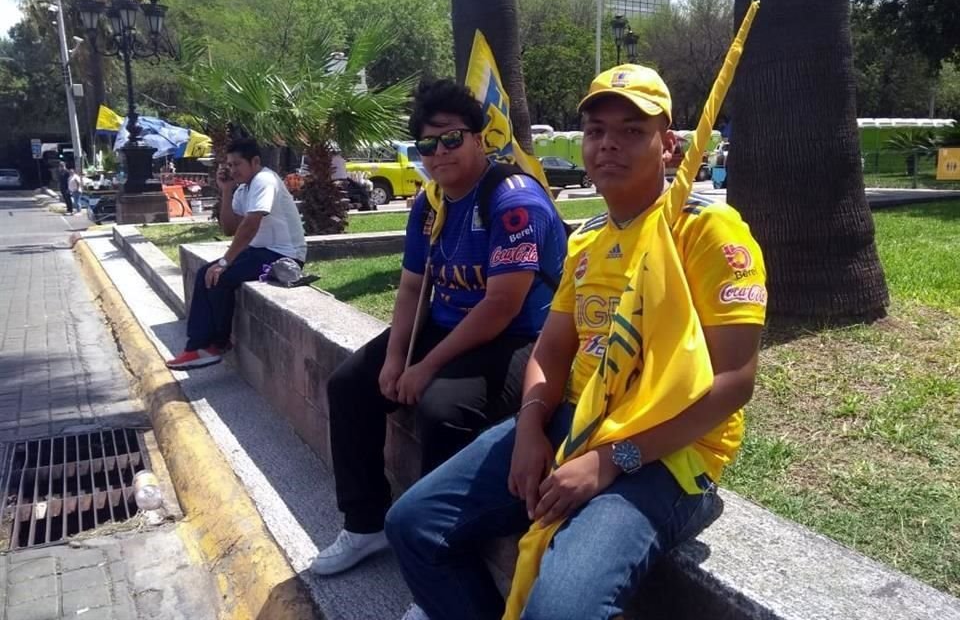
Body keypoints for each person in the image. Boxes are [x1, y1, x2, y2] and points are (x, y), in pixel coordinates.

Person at [384, 64, 767, 620]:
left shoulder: (706, 229)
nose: (608, 144)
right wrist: (531, 427)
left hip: (667, 452)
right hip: (574, 421)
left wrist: (613, 459)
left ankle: (691, 509)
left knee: (558, 610)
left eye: (632, 131)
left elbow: (734, 383)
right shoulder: (585, 238)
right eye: (596, 131)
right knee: (413, 525)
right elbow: (552, 349)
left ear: (670, 145)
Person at [311, 79, 568, 576]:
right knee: (349, 386)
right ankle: (366, 524)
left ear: (478, 138)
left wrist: (426, 367)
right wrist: (393, 359)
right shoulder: (430, 205)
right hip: (450, 325)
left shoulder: (514, 203)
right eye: (426, 145)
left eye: (451, 139)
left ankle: (438, 564)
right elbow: (412, 289)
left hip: (519, 337)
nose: (439, 153)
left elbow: (501, 305)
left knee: (443, 409)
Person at [165, 137, 306, 370]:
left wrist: (224, 261)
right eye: (229, 165)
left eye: (237, 164)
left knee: (219, 276)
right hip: (261, 252)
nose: (232, 169)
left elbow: (251, 224)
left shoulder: (264, 180)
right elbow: (230, 228)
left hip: (284, 257)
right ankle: (198, 346)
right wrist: (227, 191)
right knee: (204, 274)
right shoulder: (243, 188)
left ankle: (214, 345)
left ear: (255, 161)